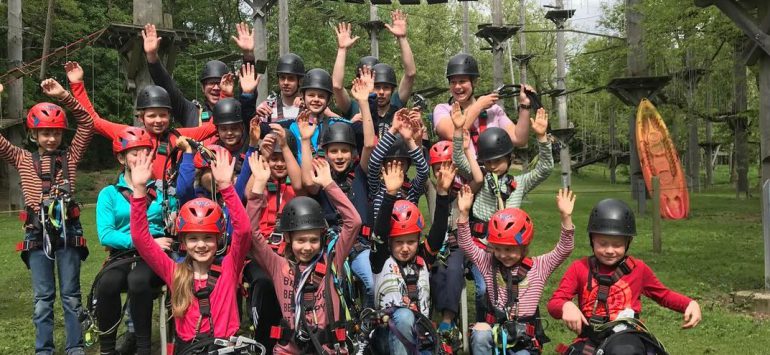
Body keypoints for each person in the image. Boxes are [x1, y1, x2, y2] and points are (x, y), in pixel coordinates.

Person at [0, 80, 93, 355]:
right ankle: (44, 350)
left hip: (68, 231)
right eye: (44, 133)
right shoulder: (21, 158)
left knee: (71, 296)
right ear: (34, 134)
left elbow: (87, 123)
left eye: (55, 133)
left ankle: (75, 347)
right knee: (43, 299)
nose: (51, 139)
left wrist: (65, 96)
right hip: (37, 234)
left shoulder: (71, 157)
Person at [129, 148, 251, 354]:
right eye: (193, 238)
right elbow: (141, 239)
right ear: (183, 242)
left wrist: (226, 187)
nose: (201, 245)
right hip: (189, 348)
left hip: (225, 348)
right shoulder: (174, 271)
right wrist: (139, 191)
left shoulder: (230, 266)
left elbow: (244, 231)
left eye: (208, 238)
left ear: (218, 239)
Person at [547, 199, 702, 355]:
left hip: (626, 338)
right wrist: (565, 306)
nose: (609, 250)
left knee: (622, 352)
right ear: (592, 239)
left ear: (628, 243)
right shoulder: (579, 268)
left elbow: (663, 295)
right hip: (591, 339)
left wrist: (689, 304)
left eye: (617, 244)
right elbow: (554, 303)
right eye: (602, 243)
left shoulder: (638, 269)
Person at [247, 156, 362, 354]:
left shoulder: (333, 261)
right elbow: (250, 234)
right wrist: (257, 188)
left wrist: (329, 184)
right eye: (301, 240)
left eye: (313, 240)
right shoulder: (279, 266)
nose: (307, 247)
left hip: (326, 349)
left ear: (322, 238)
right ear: (289, 239)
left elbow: (354, 222)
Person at [451, 104, 553, 322]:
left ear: (509, 158)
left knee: (516, 287)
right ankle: (481, 325)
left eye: (497, 161)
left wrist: (542, 138)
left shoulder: (521, 182)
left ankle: (516, 323)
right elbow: (459, 161)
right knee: (482, 290)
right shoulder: (482, 179)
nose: (493, 166)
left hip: (512, 250)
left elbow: (544, 169)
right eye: (488, 162)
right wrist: (458, 133)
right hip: (484, 249)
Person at [456, 186, 575, 354]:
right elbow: (465, 244)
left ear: (524, 246)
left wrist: (566, 217)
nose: (503, 255)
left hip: (524, 341)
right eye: (498, 249)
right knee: (480, 332)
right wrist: (464, 213)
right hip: (496, 332)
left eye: (510, 249)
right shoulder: (488, 263)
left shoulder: (539, 267)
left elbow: (564, 248)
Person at [94, 127, 173, 355]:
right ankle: (107, 349)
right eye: (133, 152)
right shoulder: (108, 194)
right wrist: (142, 242)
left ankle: (142, 347)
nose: (140, 157)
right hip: (123, 253)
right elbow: (106, 234)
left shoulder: (161, 190)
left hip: (156, 253)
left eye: (144, 152)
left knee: (138, 281)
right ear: (121, 158)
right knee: (107, 284)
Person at [65, 61, 217, 179]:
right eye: (152, 116)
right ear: (141, 117)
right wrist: (77, 85)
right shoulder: (129, 135)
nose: (158, 120)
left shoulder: (177, 136)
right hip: (140, 197)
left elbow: (213, 127)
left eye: (163, 115)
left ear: (170, 116)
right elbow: (93, 121)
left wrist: (224, 96)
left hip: (169, 201)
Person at [368, 160, 454, 355]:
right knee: (405, 316)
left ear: (418, 240)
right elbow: (380, 232)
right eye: (399, 242)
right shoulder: (380, 260)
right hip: (388, 337)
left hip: (420, 335)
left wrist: (441, 194)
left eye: (411, 242)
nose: (405, 248)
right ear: (389, 243)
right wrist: (390, 195)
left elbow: (439, 231)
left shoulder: (423, 258)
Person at [142, 23, 258, 127]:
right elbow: (168, 87)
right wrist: (152, 57)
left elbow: (248, 92)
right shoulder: (191, 112)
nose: (216, 88)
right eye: (211, 83)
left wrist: (248, 55)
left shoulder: (240, 111)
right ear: (202, 88)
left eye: (220, 83)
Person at [433, 53, 533, 155]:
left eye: (462, 81)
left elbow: (519, 139)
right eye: (453, 82)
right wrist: (479, 106)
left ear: (475, 82)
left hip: (489, 169)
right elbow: (452, 133)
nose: (457, 86)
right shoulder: (443, 110)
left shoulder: (493, 110)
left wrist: (525, 106)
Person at [332, 10, 416, 129]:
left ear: (392, 90)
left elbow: (410, 74)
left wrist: (402, 38)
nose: (381, 92)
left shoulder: (396, 104)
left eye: (386, 87)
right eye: (376, 87)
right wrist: (342, 50)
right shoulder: (353, 107)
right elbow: (336, 86)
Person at [366, 108, 429, 223]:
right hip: (383, 238)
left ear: (408, 165)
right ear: (383, 165)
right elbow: (374, 161)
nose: (396, 166)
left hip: (407, 238)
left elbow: (424, 171)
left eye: (401, 163)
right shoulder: (377, 188)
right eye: (391, 163)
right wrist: (393, 130)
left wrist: (409, 141)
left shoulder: (411, 190)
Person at [254, 53, 306, 122]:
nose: (286, 82)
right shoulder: (267, 107)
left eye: (291, 78)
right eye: (282, 78)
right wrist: (255, 115)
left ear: (300, 81)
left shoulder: (307, 107)